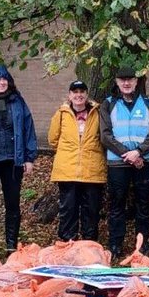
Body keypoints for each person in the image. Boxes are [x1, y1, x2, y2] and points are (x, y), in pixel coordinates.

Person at [99, 67, 149, 258]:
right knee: (117, 205)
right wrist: (128, 154)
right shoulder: (108, 104)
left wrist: (139, 152)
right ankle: (116, 244)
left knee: (143, 204)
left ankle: (142, 245)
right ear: (117, 82)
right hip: (118, 163)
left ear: (136, 81)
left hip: (144, 162)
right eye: (122, 80)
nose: (126, 83)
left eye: (130, 80)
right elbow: (105, 135)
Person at [0, 64, 38, 250]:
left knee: (13, 204)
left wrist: (29, 157)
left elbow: (28, 129)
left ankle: (11, 244)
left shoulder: (18, 103)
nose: (1, 83)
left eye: (4, 79)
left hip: (13, 161)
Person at [48, 80, 107, 241]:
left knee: (91, 209)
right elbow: (53, 139)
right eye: (75, 92)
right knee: (68, 209)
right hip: (67, 170)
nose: (78, 95)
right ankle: (68, 242)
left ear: (87, 95)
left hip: (92, 169)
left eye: (82, 91)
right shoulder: (61, 114)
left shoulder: (98, 112)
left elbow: (104, 137)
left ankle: (89, 244)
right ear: (70, 95)